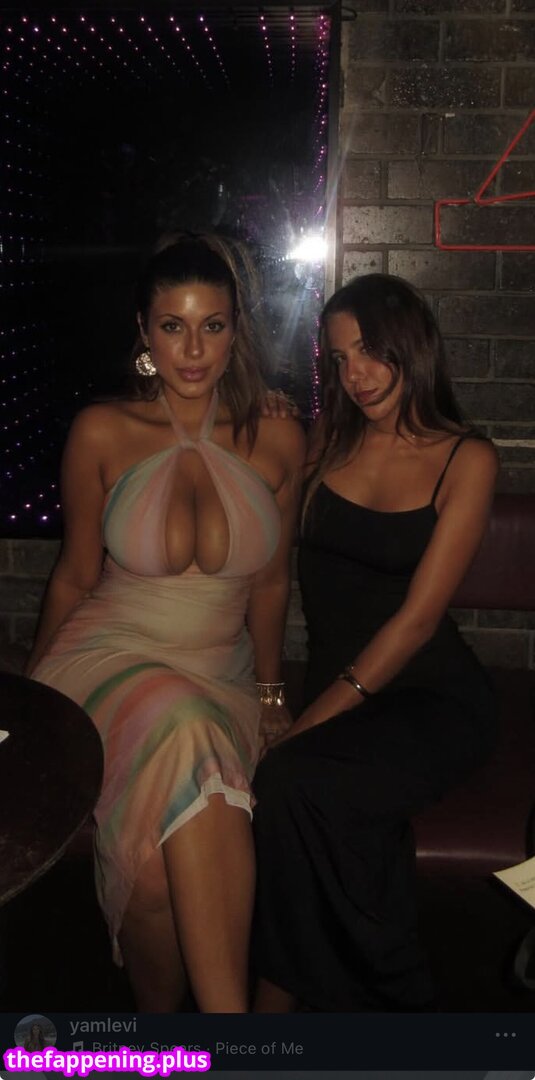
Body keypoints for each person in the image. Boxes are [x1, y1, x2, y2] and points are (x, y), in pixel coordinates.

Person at [27, 234, 305, 1013]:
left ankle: (164, 1036)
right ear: (143, 332)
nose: (192, 349)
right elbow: (75, 574)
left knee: (153, 869)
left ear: (235, 331)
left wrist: (271, 692)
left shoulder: (279, 435)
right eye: (173, 326)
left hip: (218, 671)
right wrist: (32, 704)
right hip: (108, 657)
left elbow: (270, 582)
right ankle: (232, 1038)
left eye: (212, 326)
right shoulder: (102, 430)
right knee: (184, 729)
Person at [252, 272, 499, 1013]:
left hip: (430, 694)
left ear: (410, 345)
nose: (355, 374)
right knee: (334, 811)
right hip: (344, 681)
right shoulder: (325, 442)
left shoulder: (466, 459)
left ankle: (302, 1004)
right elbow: (248, 495)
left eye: (370, 351)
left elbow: (417, 622)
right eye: (340, 359)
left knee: (292, 781)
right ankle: (380, 1004)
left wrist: (310, 721)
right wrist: (262, 411)